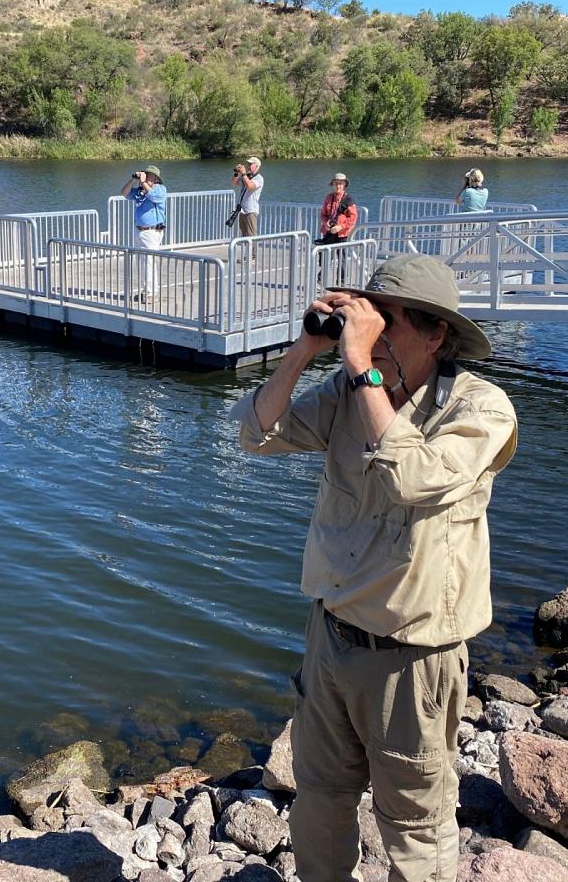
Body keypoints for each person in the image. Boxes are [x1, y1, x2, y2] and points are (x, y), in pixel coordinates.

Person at [229, 253, 518, 882]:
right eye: (367, 316)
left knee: (414, 823)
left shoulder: (481, 409)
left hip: (410, 655)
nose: (371, 331)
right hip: (331, 636)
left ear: (436, 335)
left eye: (388, 320)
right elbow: (256, 434)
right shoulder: (347, 390)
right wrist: (305, 350)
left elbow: (414, 477)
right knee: (319, 797)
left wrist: (360, 364)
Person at [120, 165, 167, 300]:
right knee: (141, 262)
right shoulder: (140, 191)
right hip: (139, 230)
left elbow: (153, 196)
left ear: (155, 178)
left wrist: (143, 183)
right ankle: (146, 290)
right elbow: (124, 193)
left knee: (149, 262)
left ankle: (152, 293)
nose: (145, 177)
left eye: (149, 175)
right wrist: (133, 180)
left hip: (152, 231)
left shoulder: (160, 189)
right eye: (145, 174)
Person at [317, 172, 359, 245]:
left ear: (344, 185)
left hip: (342, 234)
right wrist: (326, 223)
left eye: (340, 184)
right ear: (333, 184)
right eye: (336, 183)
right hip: (329, 232)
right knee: (326, 251)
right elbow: (323, 214)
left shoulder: (348, 199)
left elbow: (353, 218)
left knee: (341, 252)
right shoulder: (329, 197)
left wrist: (340, 226)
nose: (338, 186)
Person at [230, 157, 264, 237]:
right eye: (248, 164)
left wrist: (244, 174)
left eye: (250, 164)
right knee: (244, 236)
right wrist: (237, 173)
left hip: (251, 211)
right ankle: (246, 246)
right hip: (242, 210)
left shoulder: (259, 178)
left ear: (257, 166)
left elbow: (250, 186)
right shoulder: (247, 177)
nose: (248, 166)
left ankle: (253, 246)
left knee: (251, 236)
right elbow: (234, 183)